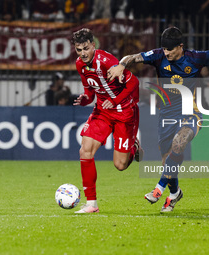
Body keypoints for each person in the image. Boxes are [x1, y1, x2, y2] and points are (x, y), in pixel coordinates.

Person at [108, 26, 209, 212]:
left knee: (179, 143)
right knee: (167, 162)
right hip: (166, 115)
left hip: (191, 112)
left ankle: (159, 188)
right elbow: (132, 57)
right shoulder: (158, 56)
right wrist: (121, 65)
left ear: (180, 46)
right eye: (164, 49)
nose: (166, 53)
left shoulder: (196, 58)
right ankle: (174, 194)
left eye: (170, 50)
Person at [72, 28, 143, 213]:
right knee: (85, 150)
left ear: (93, 45)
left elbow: (134, 82)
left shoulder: (108, 61)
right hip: (102, 111)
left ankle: (133, 147)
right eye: (79, 50)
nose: (82, 53)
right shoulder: (80, 65)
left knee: (120, 165)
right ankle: (91, 204)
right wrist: (85, 100)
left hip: (125, 112)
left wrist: (115, 100)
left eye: (85, 48)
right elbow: (90, 92)